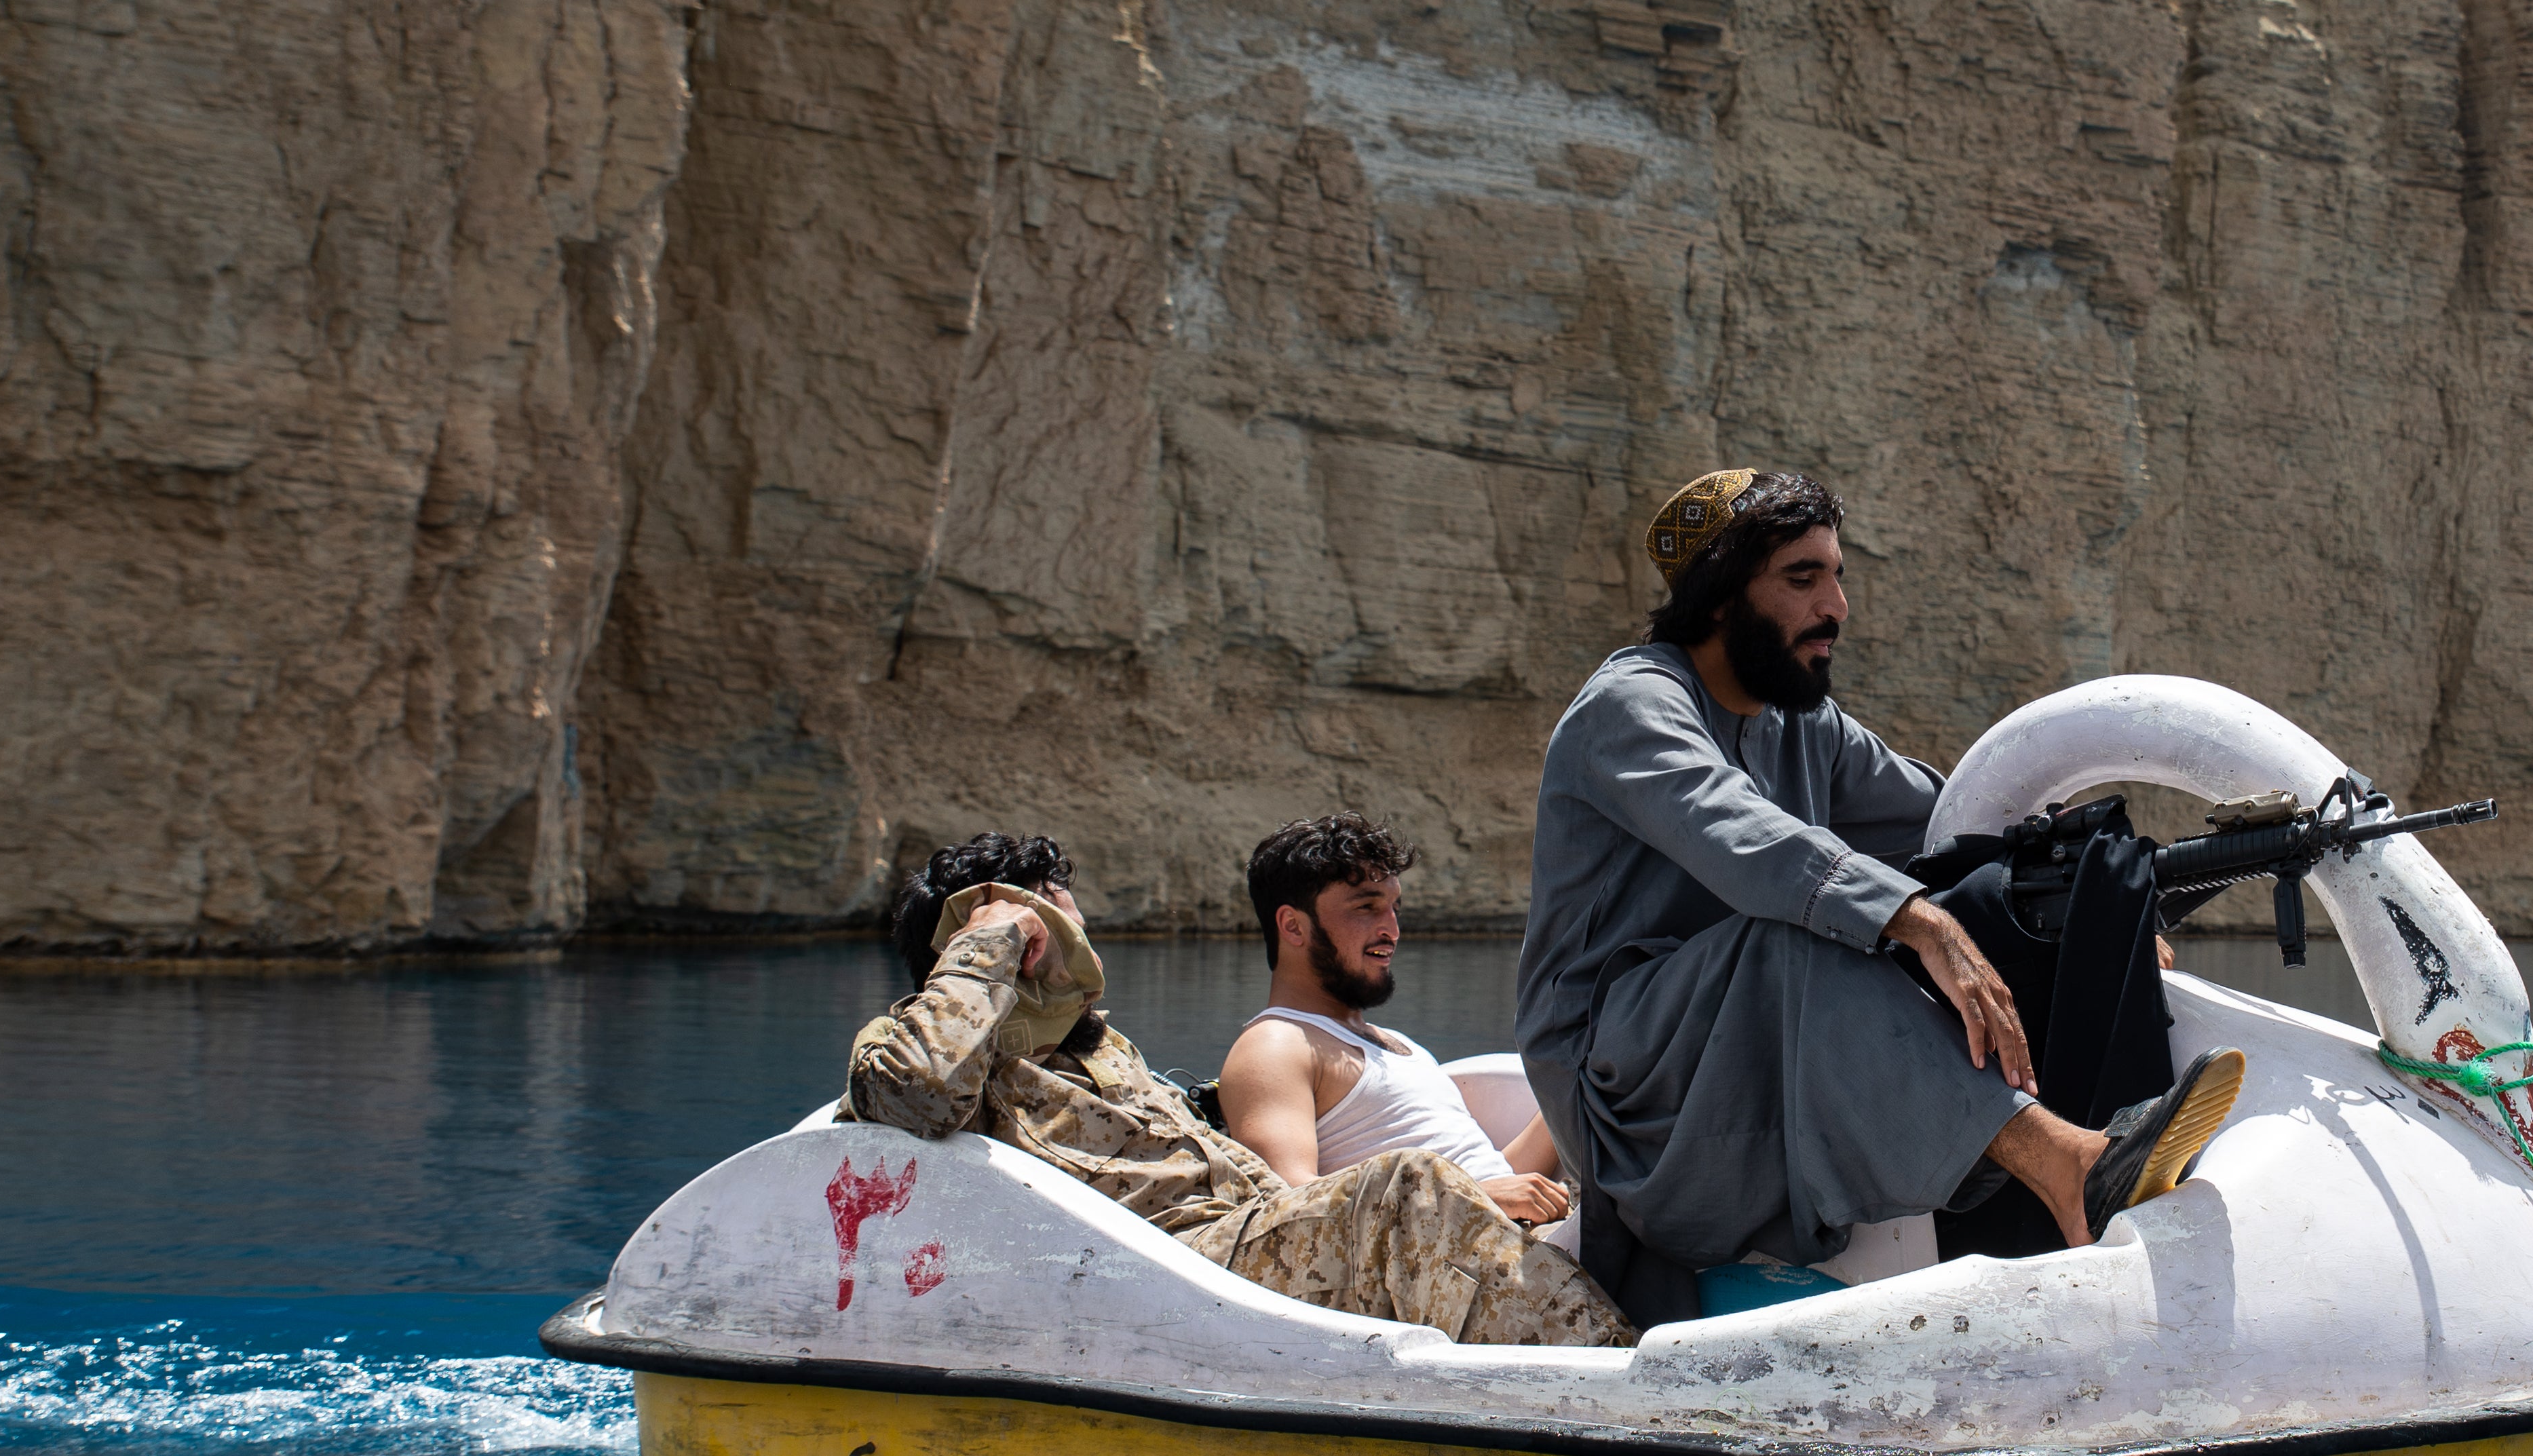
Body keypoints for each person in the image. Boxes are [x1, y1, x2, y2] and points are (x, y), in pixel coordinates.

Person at [1516, 467, 2241, 1325]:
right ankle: (2071, 1166)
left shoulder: (1801, 725)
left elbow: (1957, 817)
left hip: (1743, 1070)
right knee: (1801, 935)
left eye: (1838, 575)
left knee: (1975, 903)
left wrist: (2099, 897)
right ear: (1719, 599)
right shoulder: (1631, 706)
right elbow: (1739, 835)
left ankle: (2060, 1209)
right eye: (1802, 578)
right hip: (1624, 1100)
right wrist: (1914, 919)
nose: (1837, 606)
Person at [846, 830, 1631, 1349]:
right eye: (1043, 927)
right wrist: (994, 937)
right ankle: (1617, 1377)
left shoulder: (1098, 1046)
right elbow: (915, 1097)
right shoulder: (917, 1055)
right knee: (1409, 1187)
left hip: (1241, 1238)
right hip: (1169, 1275)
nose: (1070, 942)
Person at [1218, 814, 1570, 1221]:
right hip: (1456, 1269)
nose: (1392, 929)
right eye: (1367, 907)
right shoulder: (1277, 1046)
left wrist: (1576, 1080)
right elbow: (1291, 1211)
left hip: (1512, 1239)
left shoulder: (1396, 1045)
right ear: (1294, 926)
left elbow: (1499, 1182)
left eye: (1394, 908)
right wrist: (1476, 1196)